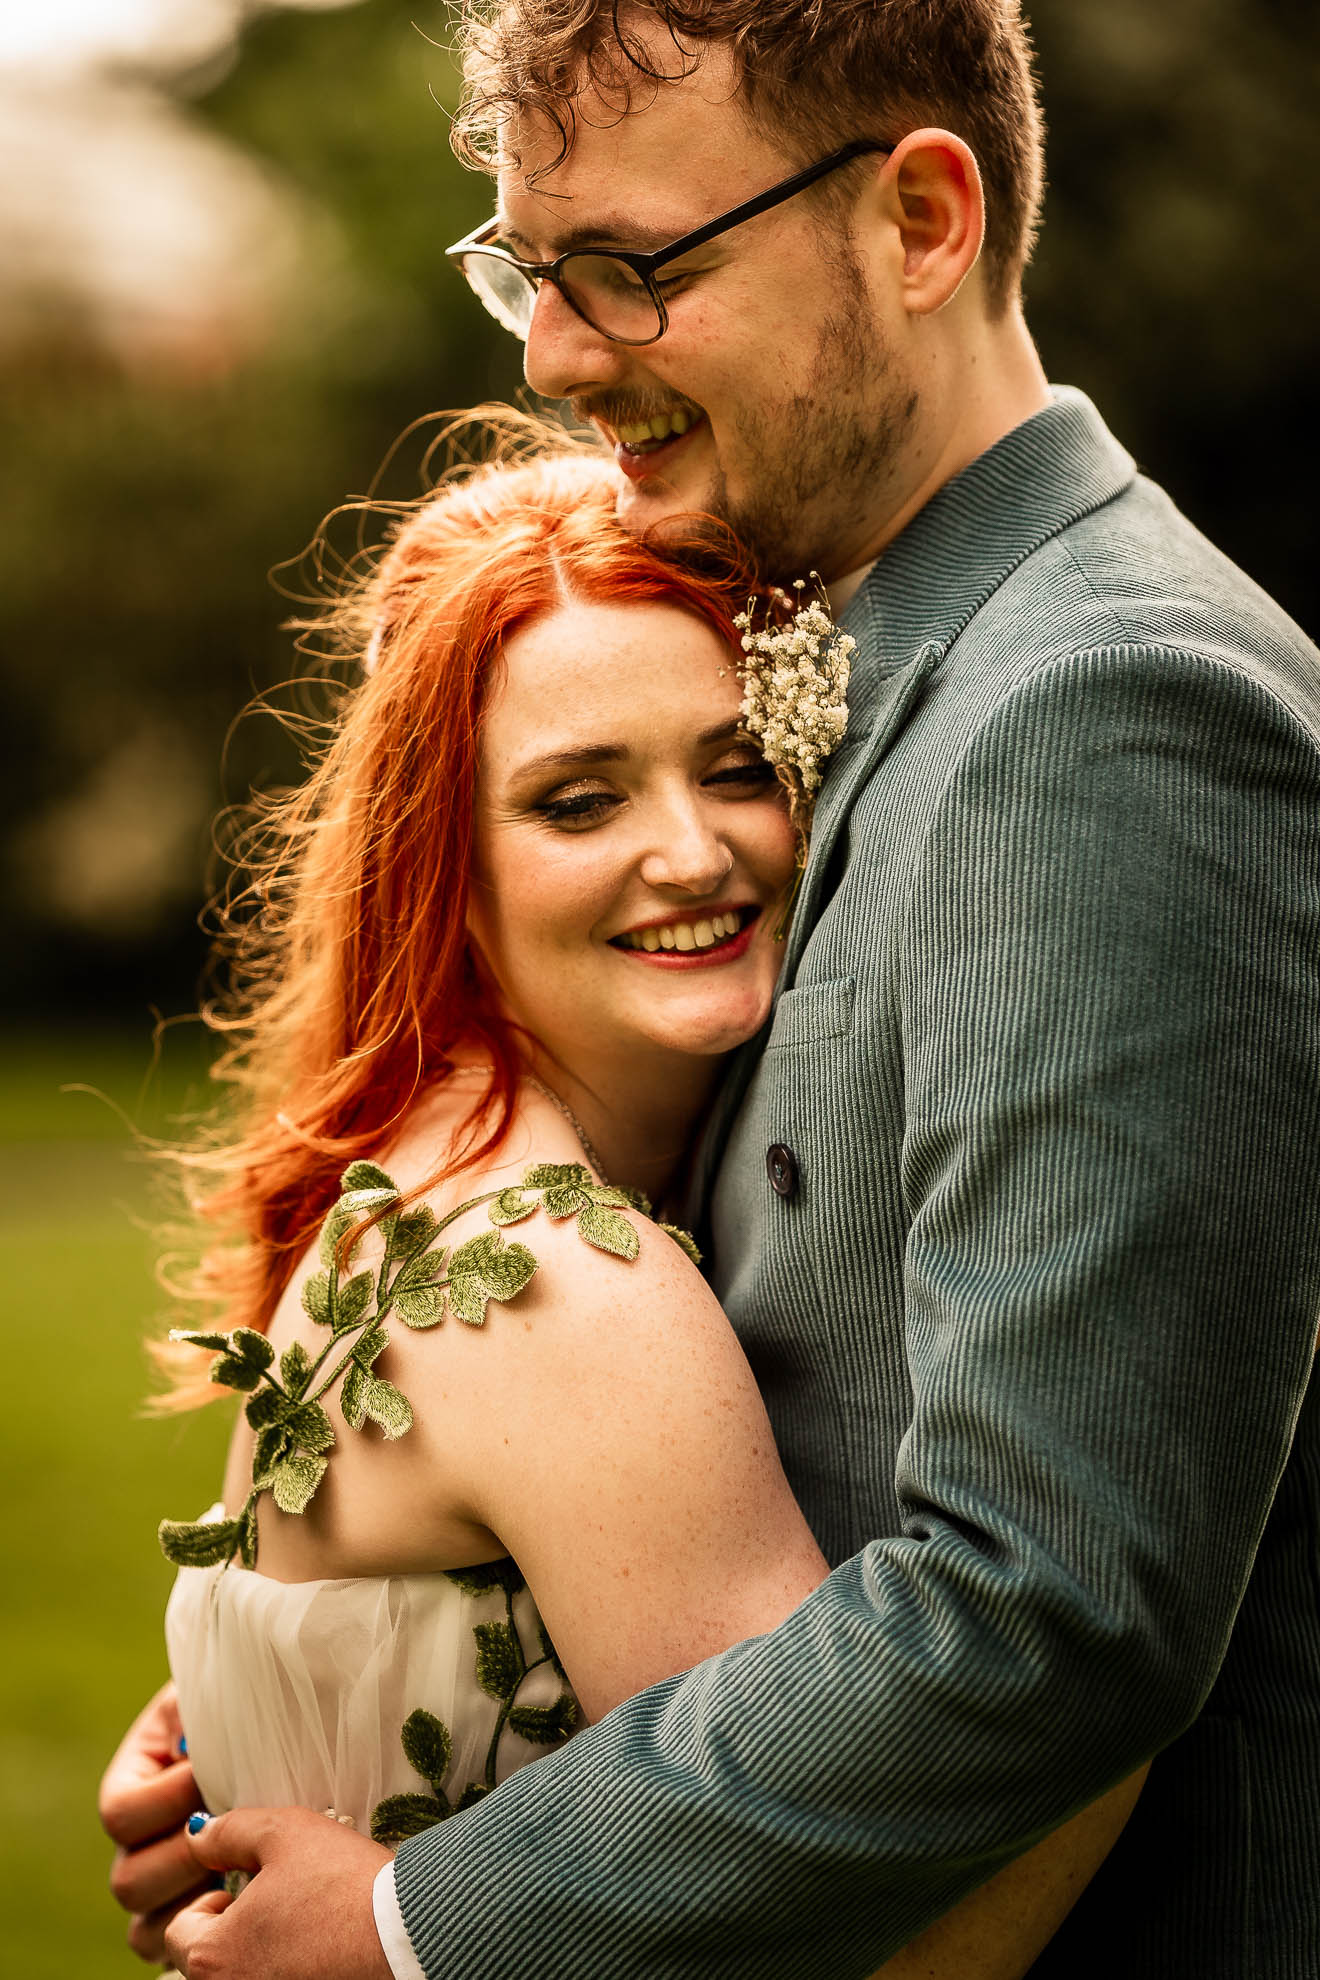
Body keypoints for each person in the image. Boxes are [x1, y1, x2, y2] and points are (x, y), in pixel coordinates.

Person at [105, 2, 1320, 1975]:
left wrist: (423, 1910)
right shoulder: (902, 676)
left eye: (627, 271)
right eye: (526, 269)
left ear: (921, 220)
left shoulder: (1103, 710)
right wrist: (336, 1710)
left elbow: (1063, 1609)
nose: (551, 351)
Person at [103, 441, 1145, 1980]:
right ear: (442, 865)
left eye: (735, 767)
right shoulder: (558, 1285)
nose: (691, 850)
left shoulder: (426, 1169)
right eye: (578, 802)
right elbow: (852, 1937)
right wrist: (1145, 1602)